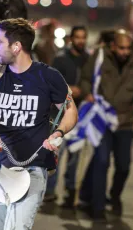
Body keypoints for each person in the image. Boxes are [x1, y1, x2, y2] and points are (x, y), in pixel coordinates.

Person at [0, 18, 78, 229]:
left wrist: (58, 133)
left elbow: (70, 110)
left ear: (16, 46)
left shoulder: (48, 76)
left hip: (33, 168)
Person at [78, 29, 133, 220]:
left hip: (124, 121)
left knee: (123, 166)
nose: (124, 52)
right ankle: (97, 207)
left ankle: (114, 196)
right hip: (102, 118)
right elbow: (85, 79)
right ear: (113, 46)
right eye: (121, 48)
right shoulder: (99, 56)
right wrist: (87, 93)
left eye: (128, 49)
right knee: (101, 161)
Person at [44, 26, 89, 206]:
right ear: (71, 39)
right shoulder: (61, 59)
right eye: (77, 37)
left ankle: (71, 192)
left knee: (76, 155)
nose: (81, 41)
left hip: (82, 114)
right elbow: (53, 83)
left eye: (83, 37)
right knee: (57, 153)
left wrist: (84, 91)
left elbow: (92, 81)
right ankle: (49, 192)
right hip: (61, 114)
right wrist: (70, 90)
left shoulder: (88, 59)